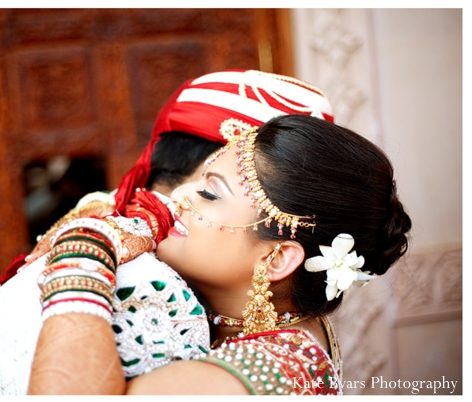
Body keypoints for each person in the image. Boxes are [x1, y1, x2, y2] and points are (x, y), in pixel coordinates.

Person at [0, 69, 334, 394]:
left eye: (211, 192)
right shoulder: (142, 276)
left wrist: (89, 244)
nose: (185, 198)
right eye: (205, 182)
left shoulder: (148, 272)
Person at [27, 113, 412, 395]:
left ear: (276, 259)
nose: (178, 196)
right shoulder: (271, 322)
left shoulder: (265, 375)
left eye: (211, 194)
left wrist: (86, 249)